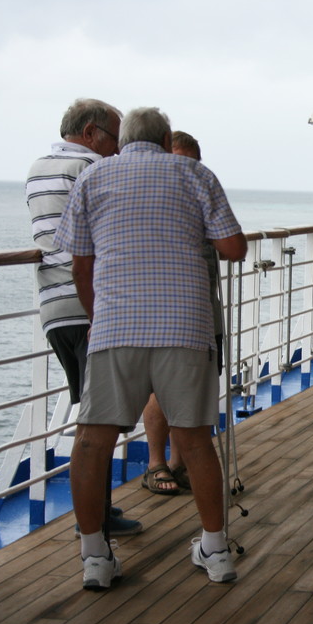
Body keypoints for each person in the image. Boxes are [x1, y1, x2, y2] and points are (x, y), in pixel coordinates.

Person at [54, 107, 248, 590]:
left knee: (93, 441)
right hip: (184, 325)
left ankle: (95, 556)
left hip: (116, 326)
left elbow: (79, 265)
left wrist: (102, 319)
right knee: (196, 440)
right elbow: (234, 249)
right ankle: (216, 550)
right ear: (165, 139)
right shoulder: (195, 173)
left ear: (125, 141)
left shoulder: (93, 178)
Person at [25, 98, 142, 537]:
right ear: (92, 133)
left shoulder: (38, 167)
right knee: (98, 425)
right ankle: (93, 522)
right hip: (91, 305)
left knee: (95, 418)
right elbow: (106, 237)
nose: (118, 150)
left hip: (54, 308)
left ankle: (96, 515)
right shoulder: (93, 168)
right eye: (116, 139)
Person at [140, 130, 222, 495]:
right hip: (161, 315)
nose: (184, 171)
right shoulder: (150, 203)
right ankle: (156, 463)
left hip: (204, 314)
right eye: (177, 163)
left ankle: (178, 463)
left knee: (197, 391)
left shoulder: (202, 200)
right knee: (160, 388)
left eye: (191, 164)